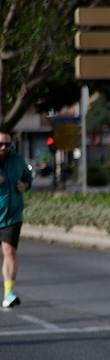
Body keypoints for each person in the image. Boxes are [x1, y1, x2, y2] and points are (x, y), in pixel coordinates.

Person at [0, 127, 34, 308]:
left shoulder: (17, 160)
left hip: (12, 216)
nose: (4, 147)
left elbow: (28, 177)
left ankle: (8, 293)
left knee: (9, 253)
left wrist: (25, 185)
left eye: (7, 143)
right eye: (0, 144)